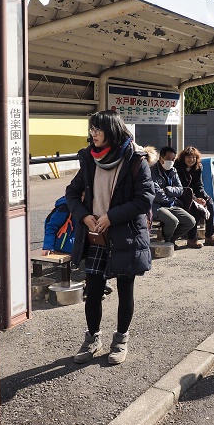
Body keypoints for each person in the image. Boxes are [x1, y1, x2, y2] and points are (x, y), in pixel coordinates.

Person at [65, 110, 155, 365]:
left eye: (98, 129)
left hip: (125, 235)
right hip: (96, 237)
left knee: (125, 290)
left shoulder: (135, 160)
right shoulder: (89, 159)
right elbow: (72, 193)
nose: (92, 134)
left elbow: (145, 199)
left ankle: (121, 340)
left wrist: (111, 217)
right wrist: (84, 216)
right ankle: (92, 337)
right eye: (91, 129)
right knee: (93, 290)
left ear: (112, 131)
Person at [150, 146, 199, 248]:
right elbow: (157, 195)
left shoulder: (173, 171)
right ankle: (167, 241)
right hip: (156, 206)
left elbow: (180, 189)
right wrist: (172, 196)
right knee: (173, 221)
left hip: (172, 204)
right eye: (168, 159)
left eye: (173, 159)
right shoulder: (152, 171)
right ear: (161, 158)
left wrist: (167, 190)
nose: (171, 162)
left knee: (190, 221)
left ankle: (171, 239)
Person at [174, 146, 214, 247]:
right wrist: (195, 199)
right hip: (182, 195)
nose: (191, 160)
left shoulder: (198, 167)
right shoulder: (177, 167)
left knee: (210, 203)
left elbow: (199, 185)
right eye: (189, 157)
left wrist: (204, 197)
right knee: (194, 208)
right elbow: (181, 188)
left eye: (194, 157)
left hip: (194, 194)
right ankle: (192, 238)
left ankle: (209, 236)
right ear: (183, 158)